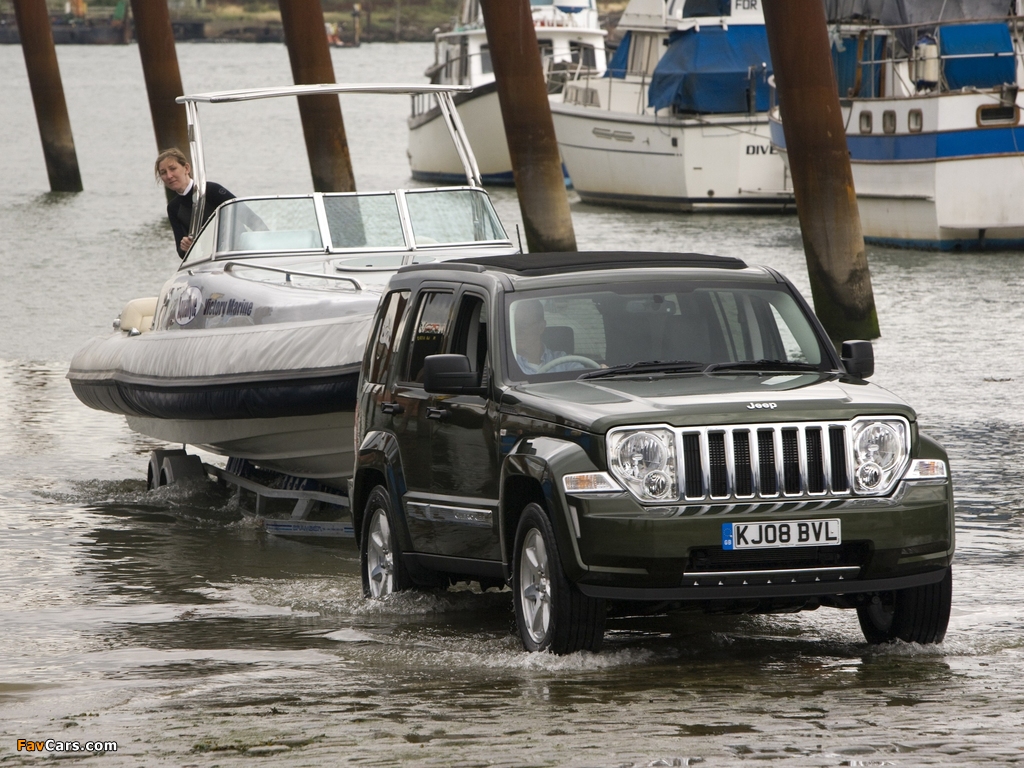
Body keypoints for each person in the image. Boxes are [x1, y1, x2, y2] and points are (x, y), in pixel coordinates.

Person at [155, 148, 235, 259]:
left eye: (173, 169)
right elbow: (181, 252)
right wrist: (185, 247)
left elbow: (248, 216)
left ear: (186, 168)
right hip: (209, 260)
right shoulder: (173, 207)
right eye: (163, 173)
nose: (169, 176)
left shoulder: (212, 190)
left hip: (234, 252)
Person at [513, 299, 580, 374]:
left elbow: (583, 380)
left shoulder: (564, 362)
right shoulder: (506, 366)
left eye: (523, 325)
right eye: (513, 325)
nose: (516, 331)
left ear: (541, 327)